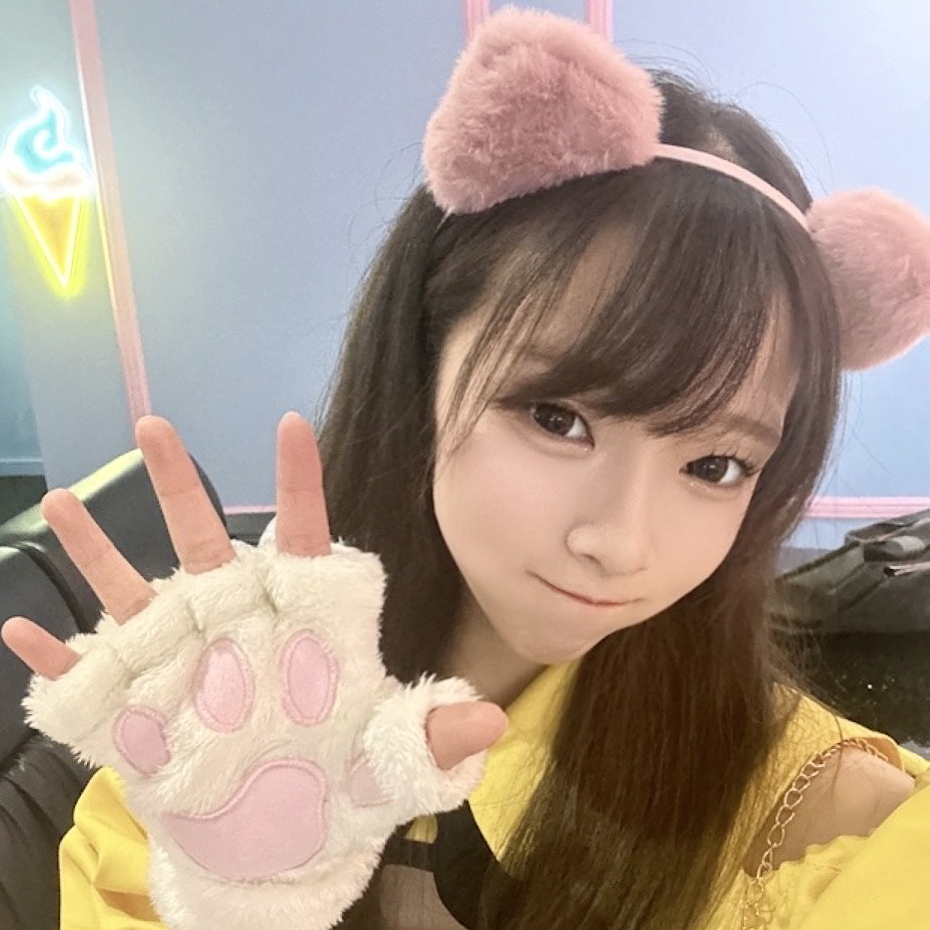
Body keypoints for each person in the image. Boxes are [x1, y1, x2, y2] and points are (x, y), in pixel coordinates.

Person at [4, 7, 930, 930]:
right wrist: (235, 900)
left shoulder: (834, 828)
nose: (620, 542)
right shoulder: (217, 722)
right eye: (559, 419)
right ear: (423, 367)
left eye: (717, 464)